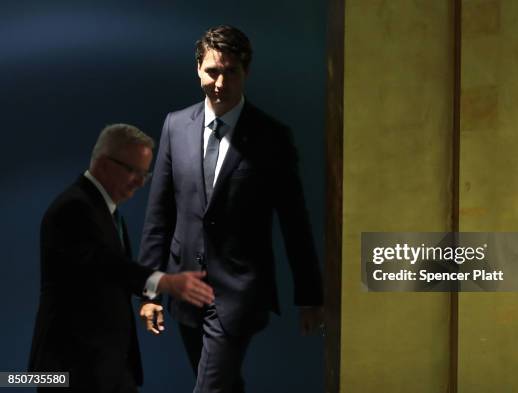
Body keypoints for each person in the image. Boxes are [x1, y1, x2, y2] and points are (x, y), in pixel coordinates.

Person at [138, 25, 324, 392]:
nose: (220, 82)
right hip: (185, 288)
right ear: (198, 70)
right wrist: (150, 291)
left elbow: (294, 222)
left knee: (210, 388)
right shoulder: (176, 126)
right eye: (212, 71)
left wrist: (309, 296)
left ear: (246, 72)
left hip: (240, 292)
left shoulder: (272, 137)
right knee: (224, 386)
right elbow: (159, 216)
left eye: (230, 72)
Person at [28, 124, 214, 393]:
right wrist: (164, 283)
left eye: (144, 175)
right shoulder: (73, 208)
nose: (140, 182)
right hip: (72, 368)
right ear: (104, 165)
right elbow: (104, 264)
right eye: (133, 172)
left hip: (104, 366)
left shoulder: (106, 211)